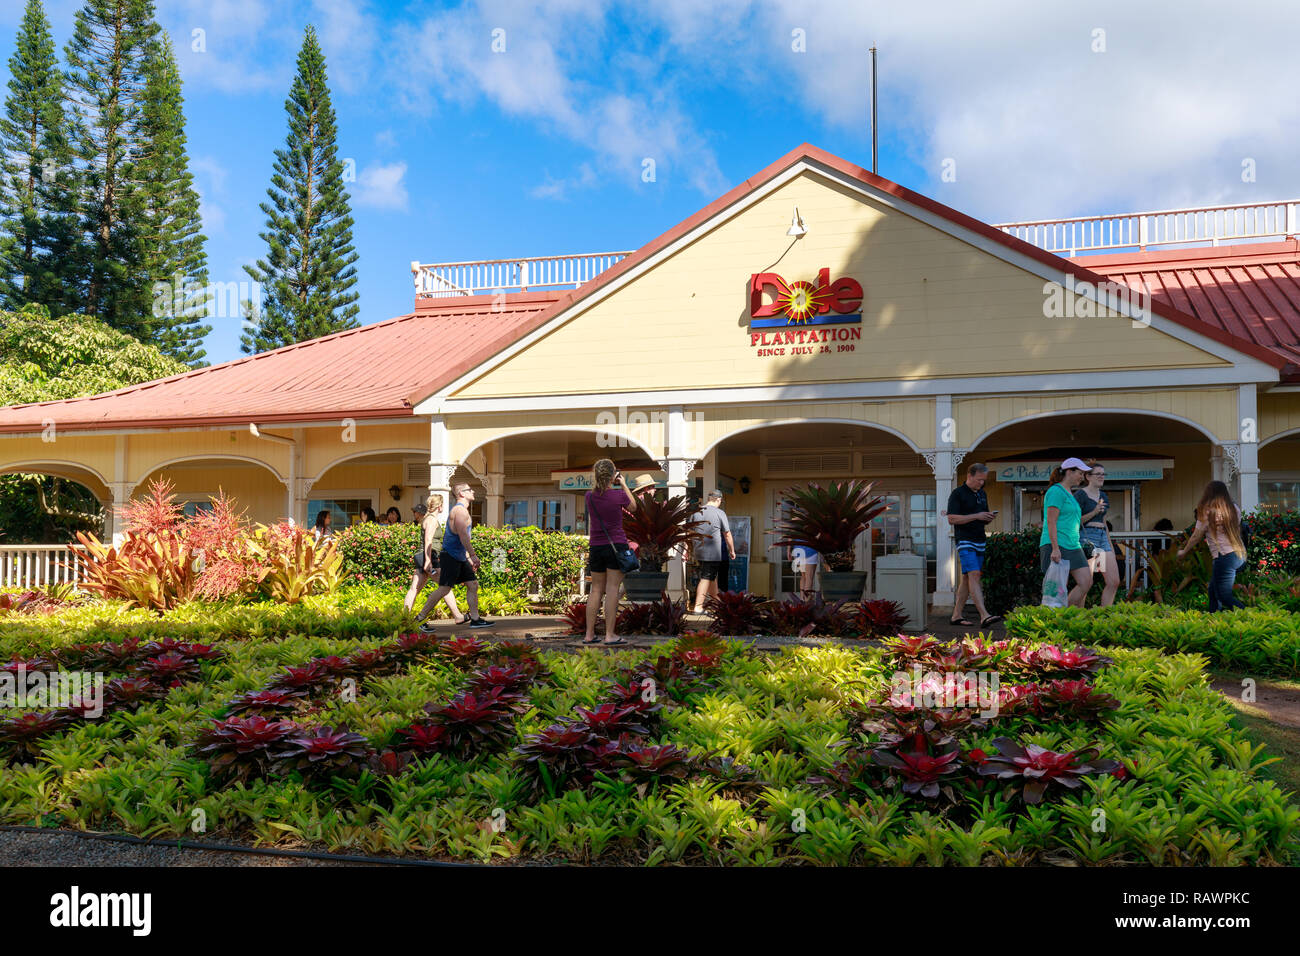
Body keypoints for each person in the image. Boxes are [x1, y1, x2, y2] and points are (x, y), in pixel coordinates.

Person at [414, 483, 493, 630]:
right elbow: (463, 536)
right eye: (470, 490)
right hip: (450, 556)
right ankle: (419, 619)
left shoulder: (462, 511)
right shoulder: (460, 511)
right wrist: (473, 556)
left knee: (472, 584)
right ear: (462, 494)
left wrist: (468, 558)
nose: (473, 491)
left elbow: (461, 540)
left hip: (459, 556)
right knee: (444, 589)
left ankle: (475, 619)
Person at [583, 459, 634, 646]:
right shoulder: (618, 495)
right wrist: (624, 484)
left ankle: (589, 634)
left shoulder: (589, 496)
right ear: (613, 475)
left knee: (595, 589)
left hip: (596, 546)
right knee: (612, 589)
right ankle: (610, 635)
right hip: (616, 545)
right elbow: (634, 506)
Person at [945, 462, 1001, 627]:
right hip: (965, 540)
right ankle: (984, 615)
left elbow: (980, 516)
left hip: (979, 539)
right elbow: (951, 518)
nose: (981, 483)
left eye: (983, 480)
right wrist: (977, 516)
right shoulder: (957, 494)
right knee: (975, 574)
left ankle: (956, 615)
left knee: (966, 577)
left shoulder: (982, 494)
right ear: (969, 476)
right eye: (979, 480)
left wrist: (987, 517)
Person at [1178, 480, 1247, 612]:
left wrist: (1184, 551)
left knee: (1223, 595)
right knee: (1213, 591)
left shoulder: (1207, 510)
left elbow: (1197, 536)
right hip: (1239, 555)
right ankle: (1214, 620)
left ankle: (1249, 616)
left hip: (1225, 556)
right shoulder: (1234, 508)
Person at [1040, 457, 1094, 607]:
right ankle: (1059, 616)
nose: (1082, 478)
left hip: (1073, 544)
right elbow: (1051, 521)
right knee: (1057, 589)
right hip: (1058, 544)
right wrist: (1055, 548)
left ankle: (1063, 612)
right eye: (1080, 474)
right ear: (1069, 471)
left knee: (1086, 582)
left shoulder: (1069, 493)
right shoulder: (1056, 491)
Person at [1074, 461, 1119, 606]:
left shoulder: (1104, 496)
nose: (1101, 477)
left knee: (1113, 581)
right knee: (1086, 582)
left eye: (1103, 474)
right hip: (1086, 538)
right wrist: (1094, 511)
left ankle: (1104, 616)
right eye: (1098, 474)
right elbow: (1074, 521)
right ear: (1088, 476)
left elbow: (1104, 521)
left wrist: (1110, 545)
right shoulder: (1080, 495)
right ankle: (1078, 618)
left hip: (1102, 537)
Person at [404, 496, 457, 615]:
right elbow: (428, 540)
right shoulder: (432, 520)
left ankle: (405, 617)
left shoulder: (427, 518)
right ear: (440, 506)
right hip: (428, 556)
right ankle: (458, 615)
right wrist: (428, 561)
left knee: (415, 588)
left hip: (421, 556)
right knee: (445, 586)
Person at [691, 490, 735, 613]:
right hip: (713, 552)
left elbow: (690, 532)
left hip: (699, 550)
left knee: (712, 576)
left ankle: (716, 603)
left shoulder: (697, 512)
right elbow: (727, 534)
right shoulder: (720, 513)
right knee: (706, 577)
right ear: (718, 500)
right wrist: (732, 550)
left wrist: (688, 550)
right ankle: (698, 606)